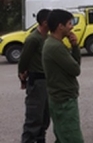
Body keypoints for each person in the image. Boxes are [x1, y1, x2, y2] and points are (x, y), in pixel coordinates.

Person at [42, 9, 83, 142]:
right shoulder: (55, 47)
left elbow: (74, 65)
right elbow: (76, 69)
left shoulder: (54, 43)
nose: (72, 27)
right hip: (63, 101)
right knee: (72, 138)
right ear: (60, 26)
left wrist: (74, 46)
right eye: (69, 23)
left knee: (62, 137)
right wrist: (75, 48)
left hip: (60, 98)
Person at [18, 9, 51, 143]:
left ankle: (40, 139)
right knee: (34, 116)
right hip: (37, 80)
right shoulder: (33, 38)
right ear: (44, 22)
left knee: (44, 116)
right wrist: (22, 77)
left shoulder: (47, 38)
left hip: (46, 80)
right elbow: (24, 60)